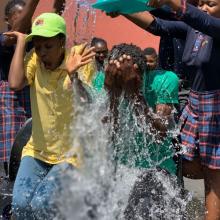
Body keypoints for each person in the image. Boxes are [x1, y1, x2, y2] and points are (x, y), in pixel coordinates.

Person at [110, 0, 220, 218]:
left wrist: (174, 3)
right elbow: (158, 25)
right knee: (187, 165)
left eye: (211, 4)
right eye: (201, 3)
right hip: (195, 104)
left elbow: (199, 18)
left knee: (213, 177)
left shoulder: (215, 28)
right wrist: (122, 9)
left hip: (214, 106)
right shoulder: (192, 30)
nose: (204, 8)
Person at [6, 12, 95, 219]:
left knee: (40, 203)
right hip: (37, 151)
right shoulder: (34, 60)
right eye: (38, 47)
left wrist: (73, 76)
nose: (42, 52)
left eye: (48, 46)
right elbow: (15, 83)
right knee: (19, 205)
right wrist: (21, 41)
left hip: (70, 156)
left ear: (61, 42)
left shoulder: (78, 57)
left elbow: (88, 104)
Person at [104, 43, 180, 219]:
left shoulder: (164, 80)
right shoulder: (105, 80)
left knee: (141, 210)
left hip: (158, 169)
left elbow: (160, 135)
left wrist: (135, 94)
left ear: (140, 73)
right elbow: (108, 136)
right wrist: (113, 95)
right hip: (122, 168)